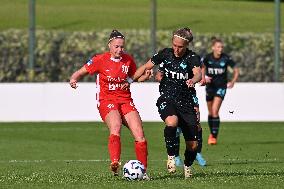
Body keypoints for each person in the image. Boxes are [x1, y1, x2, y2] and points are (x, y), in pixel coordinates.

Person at [69, 30, 151, 179]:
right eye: (117, 46)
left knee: (140, 134)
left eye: (122, 47)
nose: (120, 50)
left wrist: (144, 77)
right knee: (116, 126)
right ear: (110, 45)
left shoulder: (128, 60)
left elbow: (134, 78)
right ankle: (115, 163)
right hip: (106, 101)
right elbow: (81, 72)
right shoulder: (99, 60)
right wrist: (74, 78)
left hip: (125, 100)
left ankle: (143, 171)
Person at [121, 27, 202, 178]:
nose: (176, 49)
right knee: (171, 122)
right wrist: (130, 80)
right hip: (167, 98)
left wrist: (193, 80)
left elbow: (198, 73)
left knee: (193, 145)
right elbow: (146, 66)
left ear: (186, 46)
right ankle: (171, 156)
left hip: (186, 102)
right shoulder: (165, 53)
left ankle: (187, 166)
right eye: (175, 45)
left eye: (180, 47)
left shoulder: (192, 58)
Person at [155, 69, 206, 167]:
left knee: (197, 124)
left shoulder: (190, 59)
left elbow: (199, 71)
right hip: (172, 96)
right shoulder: (167, 60)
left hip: (189, 95)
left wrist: (201, 78)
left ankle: (197, 153)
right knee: (176, 127)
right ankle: (176, 156)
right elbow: (158, 76)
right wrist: (169, 84)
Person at [200, 37, 239, 145]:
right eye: (218, 47)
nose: (220, 49)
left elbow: (236, 69)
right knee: (210, 112)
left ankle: (214, 136)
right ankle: (212, 134)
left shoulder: (226, 58)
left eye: (221, 47)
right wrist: (204, 77)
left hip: (221, 87)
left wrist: (233, 81)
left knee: (215, 111)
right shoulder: (207, 58)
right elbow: (199, 67)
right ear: (213, 48)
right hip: (210, 87)